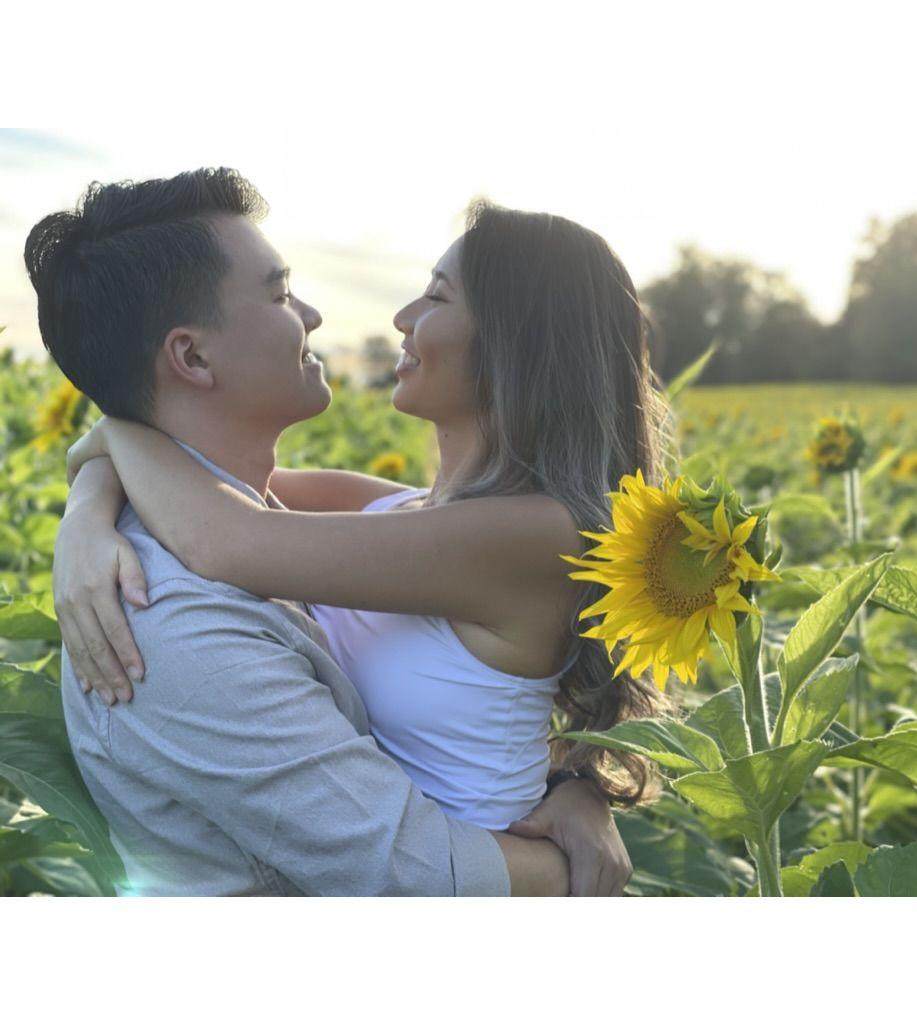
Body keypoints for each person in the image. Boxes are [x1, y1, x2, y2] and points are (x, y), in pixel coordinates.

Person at [37, 169, 666, 895]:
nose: (397, 316)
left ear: (517, 342)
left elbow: (234, 532)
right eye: (280, 294)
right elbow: (234, 513)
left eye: (436, 297)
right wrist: (90, 503)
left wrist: (110, 451)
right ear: (192, 357)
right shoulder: (382, 520)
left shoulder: (526, 533)